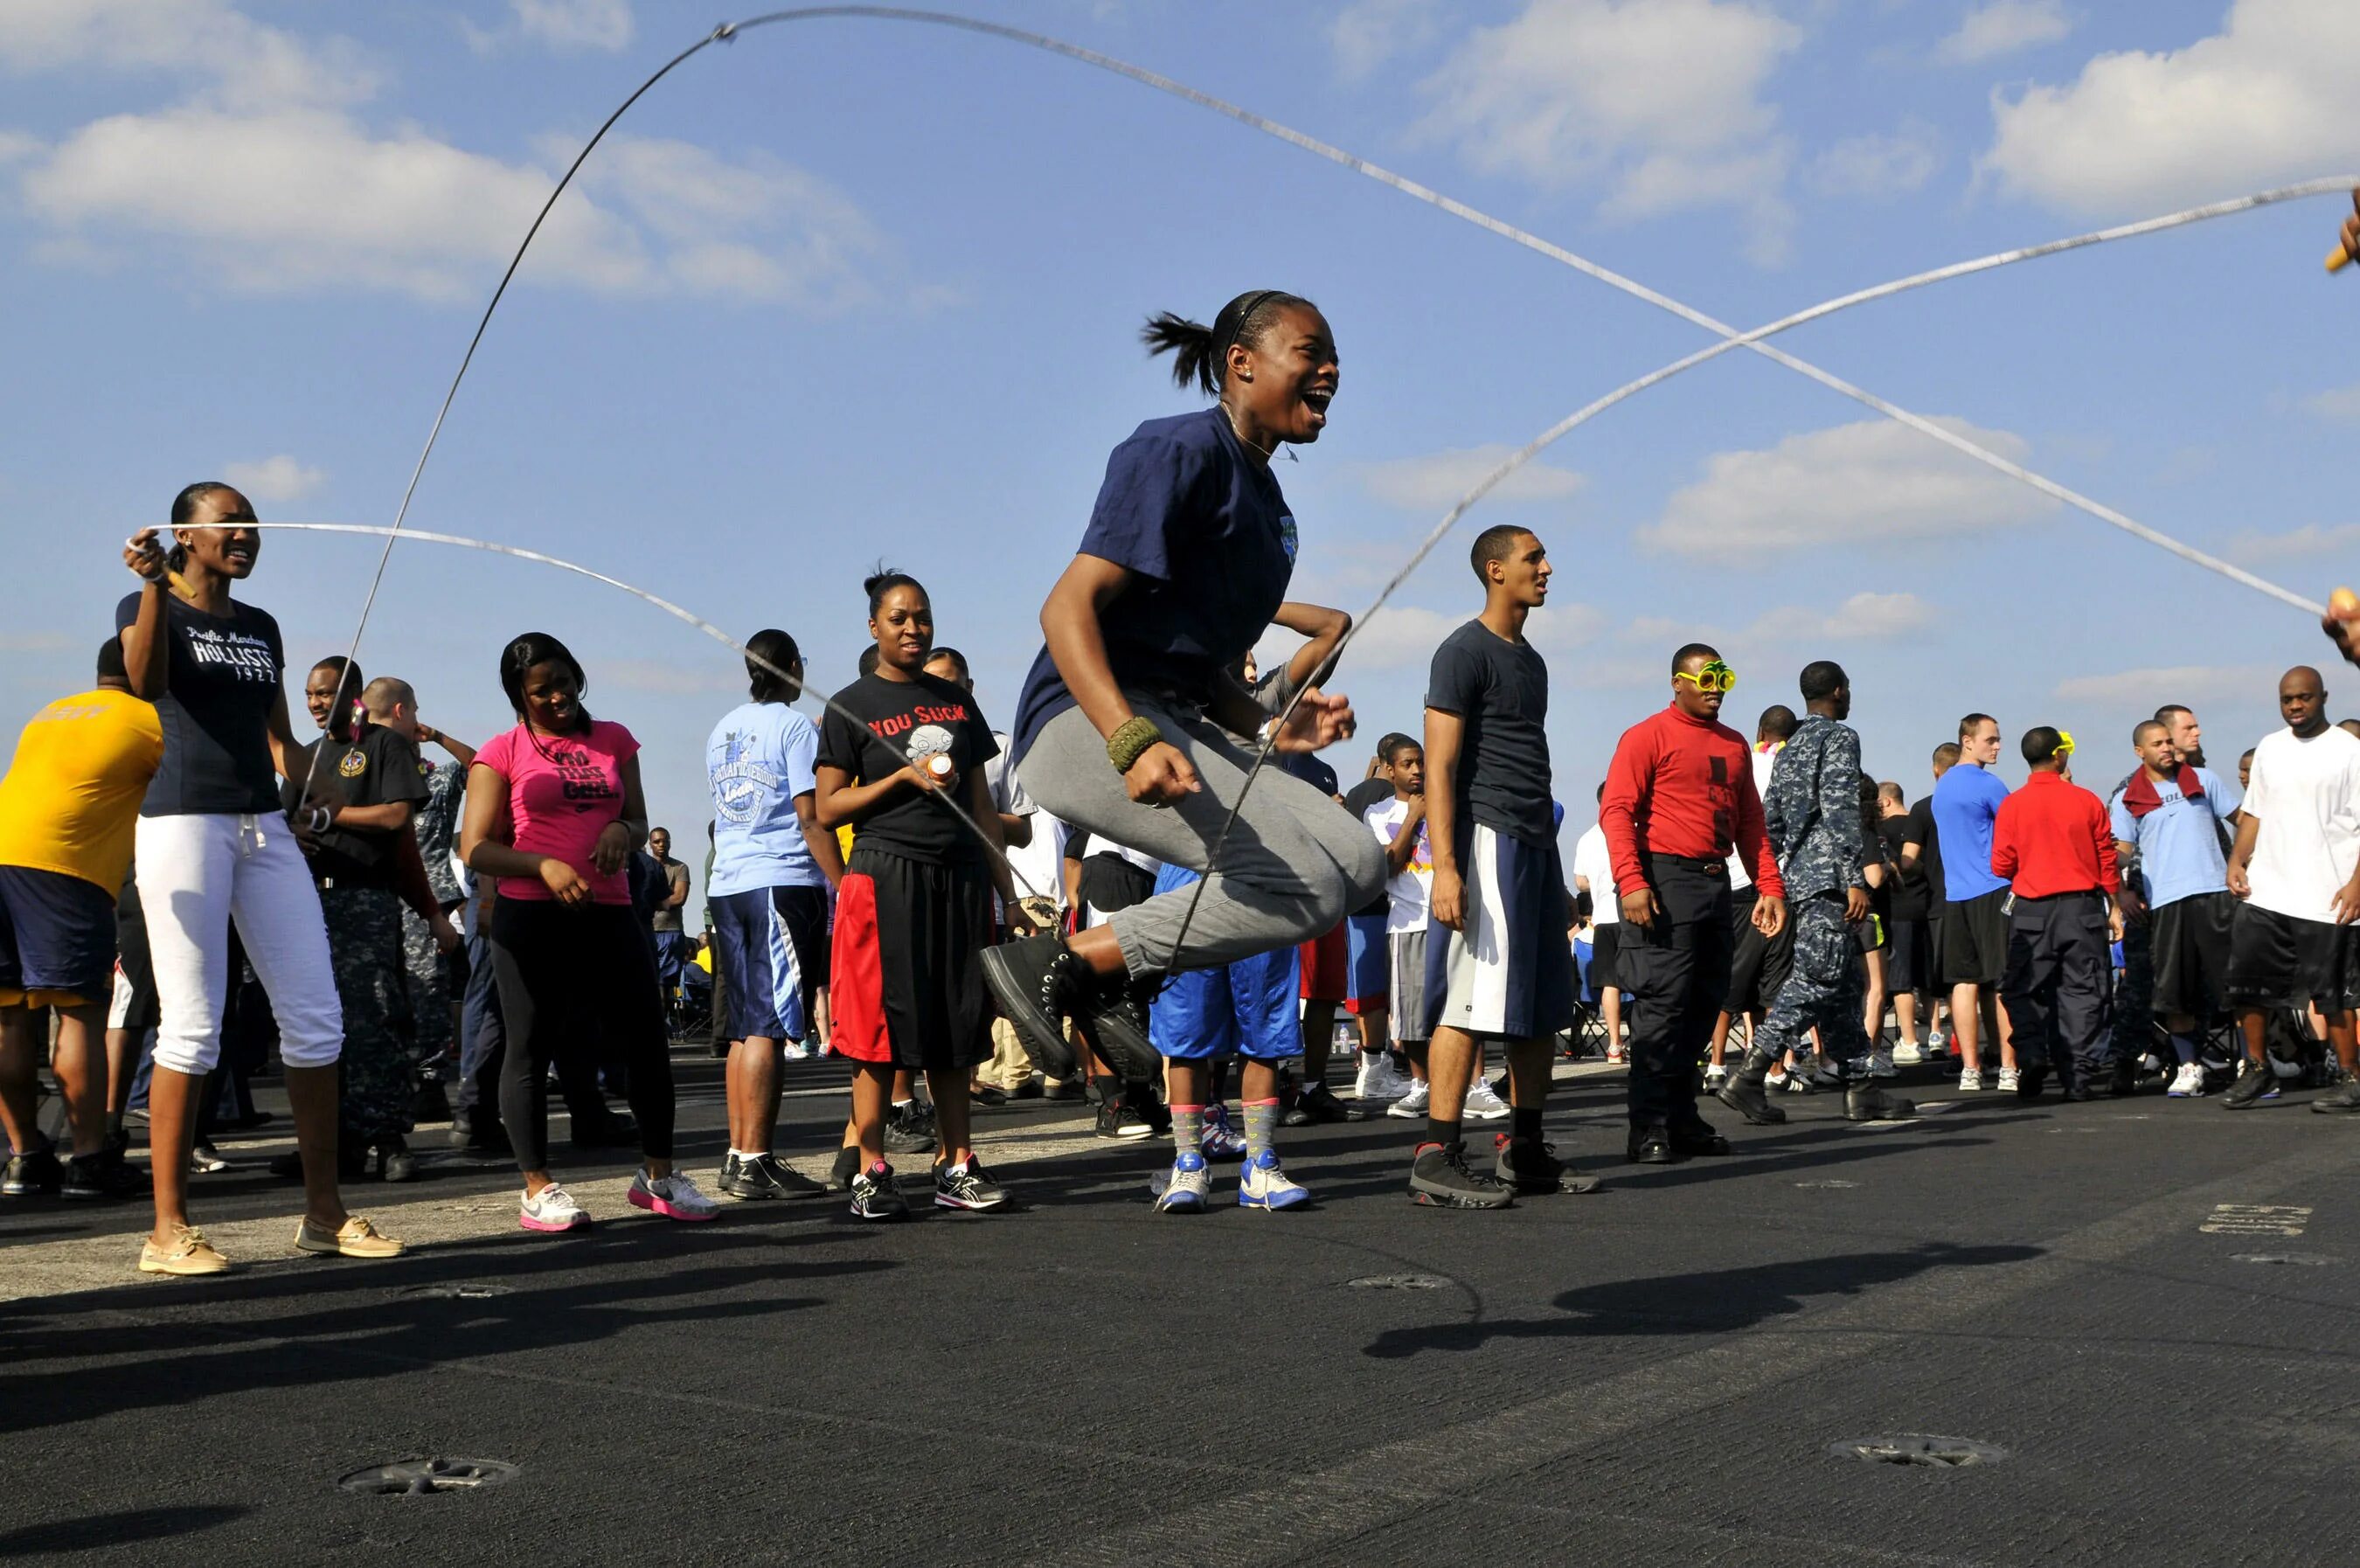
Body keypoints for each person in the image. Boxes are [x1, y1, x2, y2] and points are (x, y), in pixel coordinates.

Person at [989, 289, 1383, 1078]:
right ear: (1242, 362)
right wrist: (1128, 739)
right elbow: (1065, 610)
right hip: (1083, 722)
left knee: (1358, 861)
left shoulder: (1271, 509)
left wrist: (1267, 723)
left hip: (1177, 716)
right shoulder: (1176, 450)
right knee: (1304, 885)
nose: (1332, 368)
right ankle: (1071, 961)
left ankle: (1098, 970)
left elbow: (1201, 666)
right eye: (1311, 351)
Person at [118, 484, 404, 1274]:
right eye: (229, 526)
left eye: (252, 526)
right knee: (193, 1025)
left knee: (317, 1019)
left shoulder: (261, 626)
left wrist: (316, 793)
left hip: (262, 827)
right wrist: (150, 583)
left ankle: (324, 1215)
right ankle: (166, 1230)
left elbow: (280, 739)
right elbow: (142, 685)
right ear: (186, 535)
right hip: (182, 823)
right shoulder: (152, 603)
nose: (246, 536)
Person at [461, 631, 720, 1232]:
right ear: (518, 698)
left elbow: (637, 817)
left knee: (647, 1043)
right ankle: (538, 1187)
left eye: (565, 682)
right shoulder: (499, 752)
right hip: (532, 915)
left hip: (610, 909)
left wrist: (622, 834)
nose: (559, 697)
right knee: (530, 1046)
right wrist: (542, 865)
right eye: (541, 690)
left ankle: (658, 1176)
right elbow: (476, 847)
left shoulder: (613, 739)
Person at [816, 571, 1017, 1218]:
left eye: (922, 617)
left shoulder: (956, 703)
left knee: (958, 1024)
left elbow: (983, 806)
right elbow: (828, 807)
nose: (912, 628)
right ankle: (872, 1169)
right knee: (880, 1030)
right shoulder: (848, 704)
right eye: (899, 618)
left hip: (957, 876)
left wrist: (1006, 893)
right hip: (885, 872)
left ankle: (956, 1163)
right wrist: (900, 780)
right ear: (873, 627)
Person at [1406, 526, 1593, 1206]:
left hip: (1535, 844)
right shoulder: (1461, 652)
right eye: (1533, 558)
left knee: (1541, 1004)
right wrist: (1448, 868)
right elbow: (1441, 767)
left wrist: (1554, 866)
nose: (1547, 568)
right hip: (1486, 839)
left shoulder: (1531, 660)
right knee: (1471, 999)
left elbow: (1533, 762)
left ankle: (1526, 1149)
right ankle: (1436, 1154)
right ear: (1495, 570)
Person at [1602, 644, 1784, 1163]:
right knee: (1663, 1007)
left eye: (1720, 679)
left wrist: (1769, 885)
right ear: (1676, 682)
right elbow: (1616, 810)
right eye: (1703, 679)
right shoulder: (1646, 736)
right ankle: (1649, 1128)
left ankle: (1681, 1120)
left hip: (1714, 882)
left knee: (1704, 1005)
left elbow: (1750, 820)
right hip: (1663, 879)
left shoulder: (1732, 744)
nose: (1713, 688)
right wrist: (1632, 882)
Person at [0, 639, 163, 1201]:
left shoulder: (52, 711)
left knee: (8, 1014)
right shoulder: (148, 720)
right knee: (80, 1013)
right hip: (64, 869)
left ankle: (25, 1160)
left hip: (3, 855)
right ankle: (90, 1158)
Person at [1718, 663, 1912, 1126]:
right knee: (1816, 980)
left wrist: (1774, 880)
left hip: (1802, 879)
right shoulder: (1840, 739)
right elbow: (1843, 808)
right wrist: (1853, 878)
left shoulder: (1790, 747)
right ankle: (1748, 1075)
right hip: (1831, 880)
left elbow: (1773, 821)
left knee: (1842, 987)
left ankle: (1861, 1087)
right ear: (1839, 692)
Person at [705, 628, 843, 1201]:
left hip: (728, 883)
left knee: (744, 1026)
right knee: (768, 1023)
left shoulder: (724, 728)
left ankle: (740, 1154)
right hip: (780, 881)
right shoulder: (792, 726)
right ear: (792, 666)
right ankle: (758, 1157)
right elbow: (811, 815)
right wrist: (843, 883)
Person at [284, 655, 429, 1183]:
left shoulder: (385, 744)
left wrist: (333, 816)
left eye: (323, 694)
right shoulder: (308, 755)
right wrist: (297, 832)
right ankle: (334, 1143)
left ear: (352, 693)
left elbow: (397, 816)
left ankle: (389, 1138)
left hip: (365, 898)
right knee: (320, 1023)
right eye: (308, 695)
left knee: (375, 1018)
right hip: (310, 900)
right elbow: (287, 819)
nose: (315, 704)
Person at [2221, 667, 2360, 1111]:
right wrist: (2237, 859)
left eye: (2304, 698)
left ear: (2323, 697)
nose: (2295, 707)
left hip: (2327, 894)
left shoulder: (2349, 751)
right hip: (2268, 890)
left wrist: (2357, 883)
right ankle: (2258, 1069)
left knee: (2332, 993)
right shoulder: (2270, 748)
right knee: (2248, 986)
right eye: (2287, 699)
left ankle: (2352, 1077)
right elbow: (2255, 813)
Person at [924, 645, 1042, 1105]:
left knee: (974, 994)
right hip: (927, 884)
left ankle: (968, 1077)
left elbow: (1022, 828)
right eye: (932, 684)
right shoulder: (910, 747)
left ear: (970, 689)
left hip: (982, 890)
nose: (943, 694)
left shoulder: (997, 749)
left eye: (952, 684)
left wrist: (977, 812)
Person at [2109, 719, 2241, 1098]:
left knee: (2235, 985)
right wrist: (2120, 892)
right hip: (2166, 902)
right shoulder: (2127, 797)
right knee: (2174, 991)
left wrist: (2241, 864)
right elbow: (2118, 852)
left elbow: (2244, 820)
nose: (2166, 748)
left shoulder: (2202, 778)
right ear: (2140, 752)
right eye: (2157, 743)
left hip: (2215, 894)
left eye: (2169, 741)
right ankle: (2188, 1067)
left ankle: (2253, 1062)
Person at [362, 679, 472, 1127]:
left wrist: (437, 736)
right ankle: (389, 1079)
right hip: (374, 894)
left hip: (429, 896)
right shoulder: (365, 773)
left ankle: (430, 1081)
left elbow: (482, 765)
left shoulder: (437, 778)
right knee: (380, 993)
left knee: (427, 991)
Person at [1991, 728, 2123, 1099]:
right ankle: (2078, 1076)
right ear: (2059, 756)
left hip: (2031, 909)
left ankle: (2032, 1053)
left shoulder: (2013, 805)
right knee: (2084, 991)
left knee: (2022, 987)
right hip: (2081, 909)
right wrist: (2113, 901)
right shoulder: (2086, 800)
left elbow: (2001, 864)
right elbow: (2106, 858)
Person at [1707, 706, 1797, 1089]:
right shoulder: (1786, 768)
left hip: (1736, 880)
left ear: (1761, 731)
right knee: (1769, 983)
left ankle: (1717, 1065)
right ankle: (1772, 1069)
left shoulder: (1742, 761)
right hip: (1771, 884)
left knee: (1736, 981)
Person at [1934, 714, 2016, 1092]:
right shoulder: (1989, 784)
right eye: (1991, 739)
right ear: (1967, 741)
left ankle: (1971, 1067)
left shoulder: (1943, 785)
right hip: (1992, 887)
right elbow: (2017, 833)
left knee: (1964, 982)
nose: (1997, 746)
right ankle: (2009, 1067)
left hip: (1956, 894)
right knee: (2000, 980)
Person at [1371, 736, 1438, 1120]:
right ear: (1389, 769)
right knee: (1411, 1012)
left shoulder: (1444, 801)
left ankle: (1475, 1086)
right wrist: (1413, 817)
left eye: (1421, 763)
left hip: (1449, 918)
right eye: (1409, 764)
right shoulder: (1377, 815)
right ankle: (1420, 1086)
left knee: (1461, 1009)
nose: (1417, 770)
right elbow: (1389, 865)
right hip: (1407, 921)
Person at [1343, 738, 1410, 1103]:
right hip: (1389, 902)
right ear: (1392, 765)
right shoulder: (1389, 801)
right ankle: (1376, 1067)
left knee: (1366, 991)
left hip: (1359, 903)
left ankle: (1372, 1063)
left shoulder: (1355, 794)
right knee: (1387, 989)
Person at [1570, 782, 1625, 1068]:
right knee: (1644, 981)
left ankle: (1614, 1045)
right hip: (1632, 916)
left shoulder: (1588, 838)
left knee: (1610, 984)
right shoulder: (1633, 827)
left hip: (1602, 919)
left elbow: (1580, 881)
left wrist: (1600, 884)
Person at [645, 827, 692, 1023]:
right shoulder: (643, 867)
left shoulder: (679, 868)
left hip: (671, 932)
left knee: (664, 985)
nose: (661, 845)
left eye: (664, 841)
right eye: (656, 842)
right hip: (648, 930)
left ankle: (661, 1027)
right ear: (650, 844)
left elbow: (679, 897)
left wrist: (649, 901)